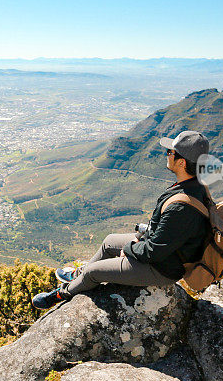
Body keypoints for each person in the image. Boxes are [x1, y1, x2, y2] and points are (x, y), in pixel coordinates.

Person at [32, 130, 212, 309]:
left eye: (170, 152)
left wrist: (131, 248)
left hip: (163, 268)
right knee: (109, 241)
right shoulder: (194, 185)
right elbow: (167, 235)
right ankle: (78, 275)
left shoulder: (181, 207)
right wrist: (140, 239)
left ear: (181, 162)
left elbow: (154, 252)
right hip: (165, 253)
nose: (167, 155)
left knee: (93, 273)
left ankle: (61, 294)